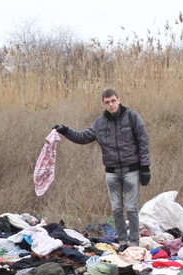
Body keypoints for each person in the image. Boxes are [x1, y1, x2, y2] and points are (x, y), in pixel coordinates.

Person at [54, 89, 151, 247]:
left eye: (113, 100)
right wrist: (66, 131)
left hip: (131, 170)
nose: (111, 104)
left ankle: (134, 243)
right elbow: (84, 137)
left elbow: (143, 140)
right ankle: (123, 242)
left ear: (119, 100)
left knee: (132, 209)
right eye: (107, 102)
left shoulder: (132, 117)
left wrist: (145, 167)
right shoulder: (100, 123)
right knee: (117, 209)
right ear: (103, 104)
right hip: (112, 172)